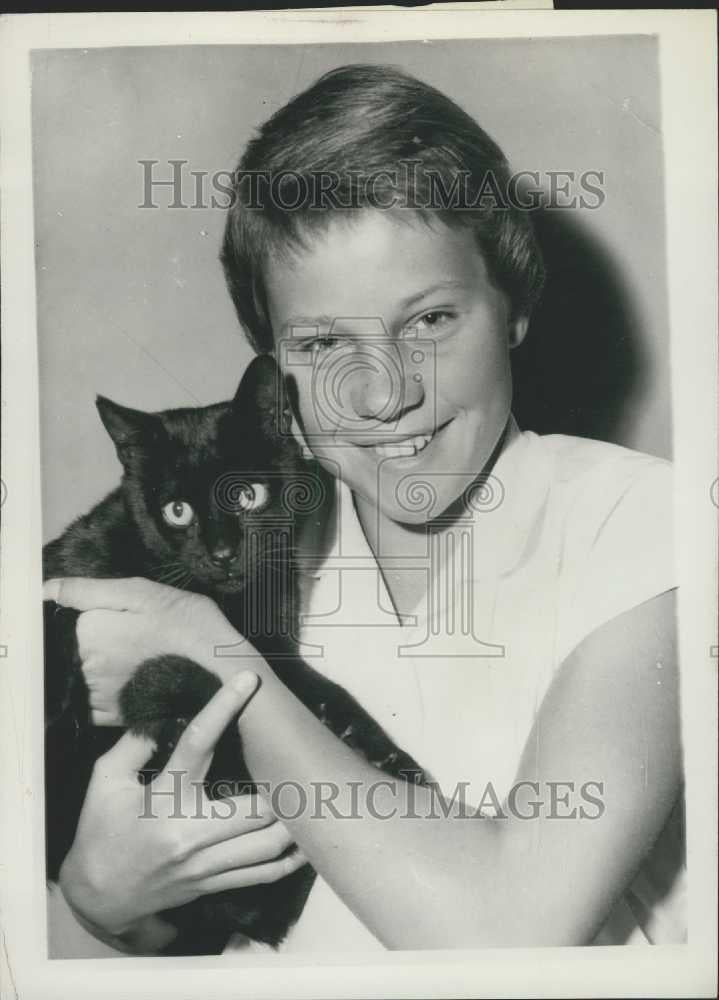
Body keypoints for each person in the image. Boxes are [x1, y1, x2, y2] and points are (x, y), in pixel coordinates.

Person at [45, 64, 684, 955]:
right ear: (271, 363)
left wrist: (213, 654)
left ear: (513, 308)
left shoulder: (648, 528)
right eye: (320, 341)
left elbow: (503, 934)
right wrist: (103, 899)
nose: (380, 394)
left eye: (427, 322)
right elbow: (240, 921)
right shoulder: (262, 542)